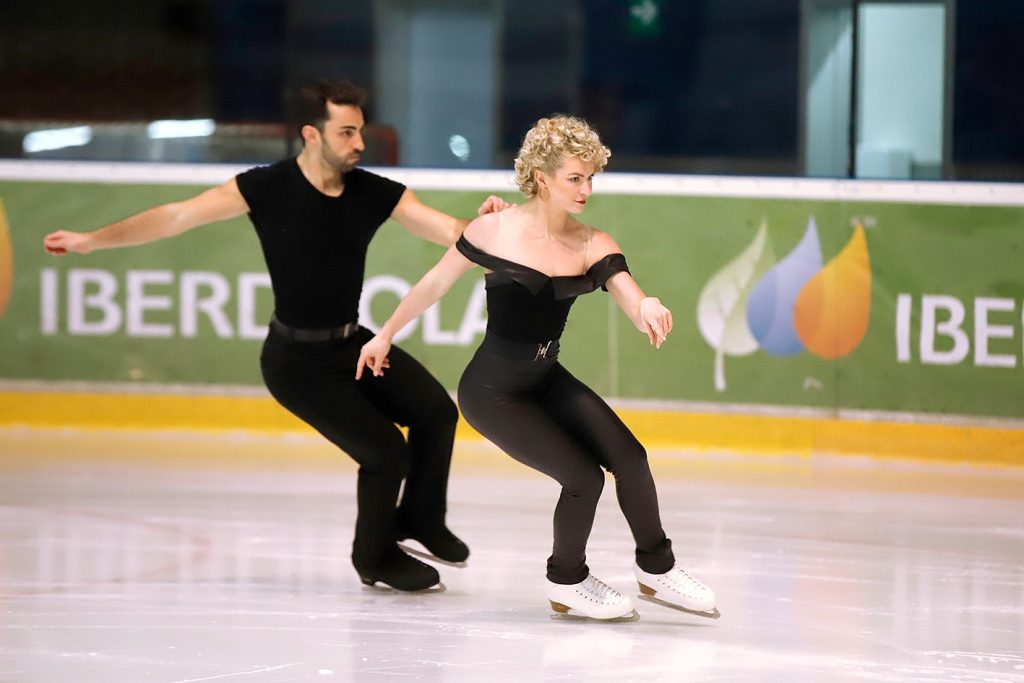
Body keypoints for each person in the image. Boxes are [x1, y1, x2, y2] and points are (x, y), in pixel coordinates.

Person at [43, 79, 510, 593]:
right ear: (312, 134)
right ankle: (374, 558)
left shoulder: (373, 192)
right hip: (297, 364)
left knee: (435, 413)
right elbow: (174, 218)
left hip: (352, 344)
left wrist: (491, 227)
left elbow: (447, 229)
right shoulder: (264, 188)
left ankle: (419, 520)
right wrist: (90, 240)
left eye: (361, 131)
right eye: (347, 132)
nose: (359, 143)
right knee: (385, 455)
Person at [356, 115, 719, 620]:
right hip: (492, 393)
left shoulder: (593, 242)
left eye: (591, 177)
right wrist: (385, 333)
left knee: (630, 458)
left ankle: (656, 569)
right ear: (541, 178)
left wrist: (647, 306)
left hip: (546, 380)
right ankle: (567, 580)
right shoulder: (494, 229)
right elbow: (435, 284)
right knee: (583, 478)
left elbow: (627, 292)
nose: (586, 189)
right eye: (575, 177)